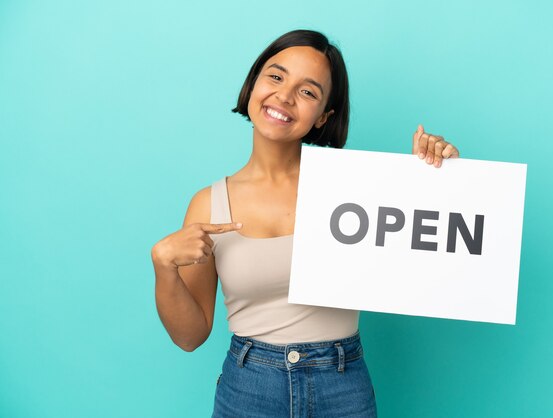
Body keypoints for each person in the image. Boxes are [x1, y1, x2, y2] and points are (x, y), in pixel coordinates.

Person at [151, 29, 459, 418]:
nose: (284, 96)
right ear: (253, 85)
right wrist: (164, 266)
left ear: (323, 117)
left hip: (342, 385)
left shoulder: (357, 188)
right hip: (248, 387)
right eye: (276, 77)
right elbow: (189, 336)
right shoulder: (208, 203)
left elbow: (430, 255)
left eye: (308, 91)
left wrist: (435, 176)